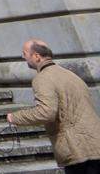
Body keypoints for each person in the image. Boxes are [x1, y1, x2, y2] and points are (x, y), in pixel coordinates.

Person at [7, 40, 100, 173]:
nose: (23, 57)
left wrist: (15, 117)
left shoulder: (43, 78)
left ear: (37, 56)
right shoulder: (70, 74)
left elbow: (46, 112)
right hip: (94, 143)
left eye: (25, 53)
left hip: (77, 148)